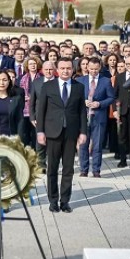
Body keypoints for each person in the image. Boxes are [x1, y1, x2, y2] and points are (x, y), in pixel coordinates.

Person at [36, 58, 87, 213]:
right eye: (63, 68)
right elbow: (41, 110)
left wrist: (83, 132)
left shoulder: (79, 87)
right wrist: (40, 131)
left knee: (68, 169)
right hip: (52, 132)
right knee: (52, 168)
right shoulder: (48, 86)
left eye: (69, 68)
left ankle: (65, 201)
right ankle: (53, 200)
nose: (66, 71)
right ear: (57, 69)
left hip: (71, 133)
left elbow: (82, 112)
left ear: (73, 69)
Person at [76, 58, 115, 177]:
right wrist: (83, 101)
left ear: (100, 68)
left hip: (99, 116)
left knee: (97, 145)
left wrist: (100, 104)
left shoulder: (106, 81)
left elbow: (111, 98)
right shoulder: (79, 80)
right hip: (83, 117)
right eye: (91, 69)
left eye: (96, 69)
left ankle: (96, 170)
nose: (93, 71)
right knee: (83, 144)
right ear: (87, 67)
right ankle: (84, 169)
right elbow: (74, 97)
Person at [29, 60, 56, 173]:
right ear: (42, 70)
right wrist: (32, 117)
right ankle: (41, 165)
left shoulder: (59, 82)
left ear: (54, 70)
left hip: (55, 117)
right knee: (40, 142)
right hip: (40, 117)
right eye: (46, 70)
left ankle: (53, 165)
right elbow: (32, 102)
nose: (48, 72)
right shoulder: (37, 82)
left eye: (50, 69)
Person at [18, 57, 42, 147]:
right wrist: (22, 97)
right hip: (24, 110)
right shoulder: (21, 78)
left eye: (34, 63)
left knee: (35, 134)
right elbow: (17, 92)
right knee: (25, 134)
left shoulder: (42, 78)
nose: (33, 65)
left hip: (37, 109)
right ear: (27, 66)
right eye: (31, 64)